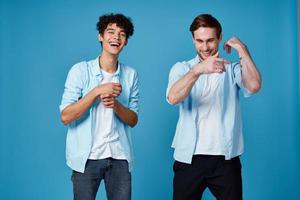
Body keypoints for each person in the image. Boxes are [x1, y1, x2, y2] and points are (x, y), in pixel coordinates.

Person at [166, 14, 261, 200]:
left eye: (210, 40)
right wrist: (199, 70)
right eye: (199, 41)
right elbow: (173, 97)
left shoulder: (232, 69)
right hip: (189, 158)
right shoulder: (183, 68)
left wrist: (243, 50)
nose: (205, 47)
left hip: (225, 159)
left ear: (219, 37)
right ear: (193, 39)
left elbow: (254, 85)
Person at [59, 13, 139, 200]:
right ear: (100, 36)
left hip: (120, 157)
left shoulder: (131, 74)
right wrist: (97, 91)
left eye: (122, 34)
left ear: (126, 41)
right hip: (87, 159)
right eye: (110, 32)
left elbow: (133, 119)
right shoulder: (80, 70)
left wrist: (116, 105)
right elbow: (66, 116)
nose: (116, 37)